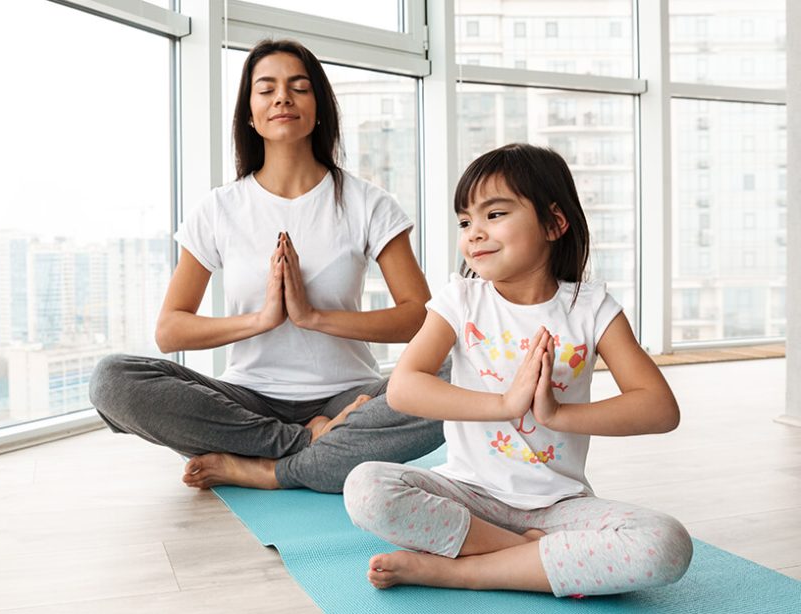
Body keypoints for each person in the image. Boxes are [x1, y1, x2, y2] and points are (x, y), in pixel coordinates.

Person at [89, 39, 447, 494]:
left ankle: (265, 468)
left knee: (461, 374)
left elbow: (419, 316)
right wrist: (261, 320)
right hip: (249, 402)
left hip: (352, 397)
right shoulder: (220, 208)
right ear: (250, 113)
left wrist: (313, 318)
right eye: (267, 89)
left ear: (319, 108)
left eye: (298, 87)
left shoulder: (366, 203)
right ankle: (308, 446)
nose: (283, 98)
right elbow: (170, 330)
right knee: (111, 379)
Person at [343, 143, 692, 597]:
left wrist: (556, 416)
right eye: (465, 221)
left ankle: (458, 571)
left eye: (495, 214)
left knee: (666, 545)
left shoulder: (591, 309)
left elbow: (659, 410)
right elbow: (405, 389)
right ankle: (526, 556)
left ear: (554, 223)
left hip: (558, 507)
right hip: (467, 495)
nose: (474, 233)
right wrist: (506, 404)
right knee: (366, 487)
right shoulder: (460, 300)